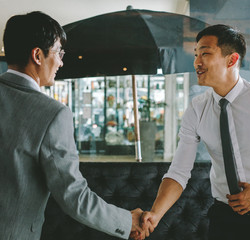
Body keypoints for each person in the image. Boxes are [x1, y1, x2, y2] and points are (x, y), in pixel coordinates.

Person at [139, 24, 250, 240]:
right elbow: (178, 172)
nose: (197, 62)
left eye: (205, 53)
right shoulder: (197, 109)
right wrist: (155, 214)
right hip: (225, 218)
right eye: (196, 55)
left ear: (231, 60)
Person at [0, 11, 146, 240]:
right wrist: (127, 222)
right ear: (38, 55)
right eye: (59, 52)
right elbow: (74, 196)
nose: (61, 61)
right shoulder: (52, 114)